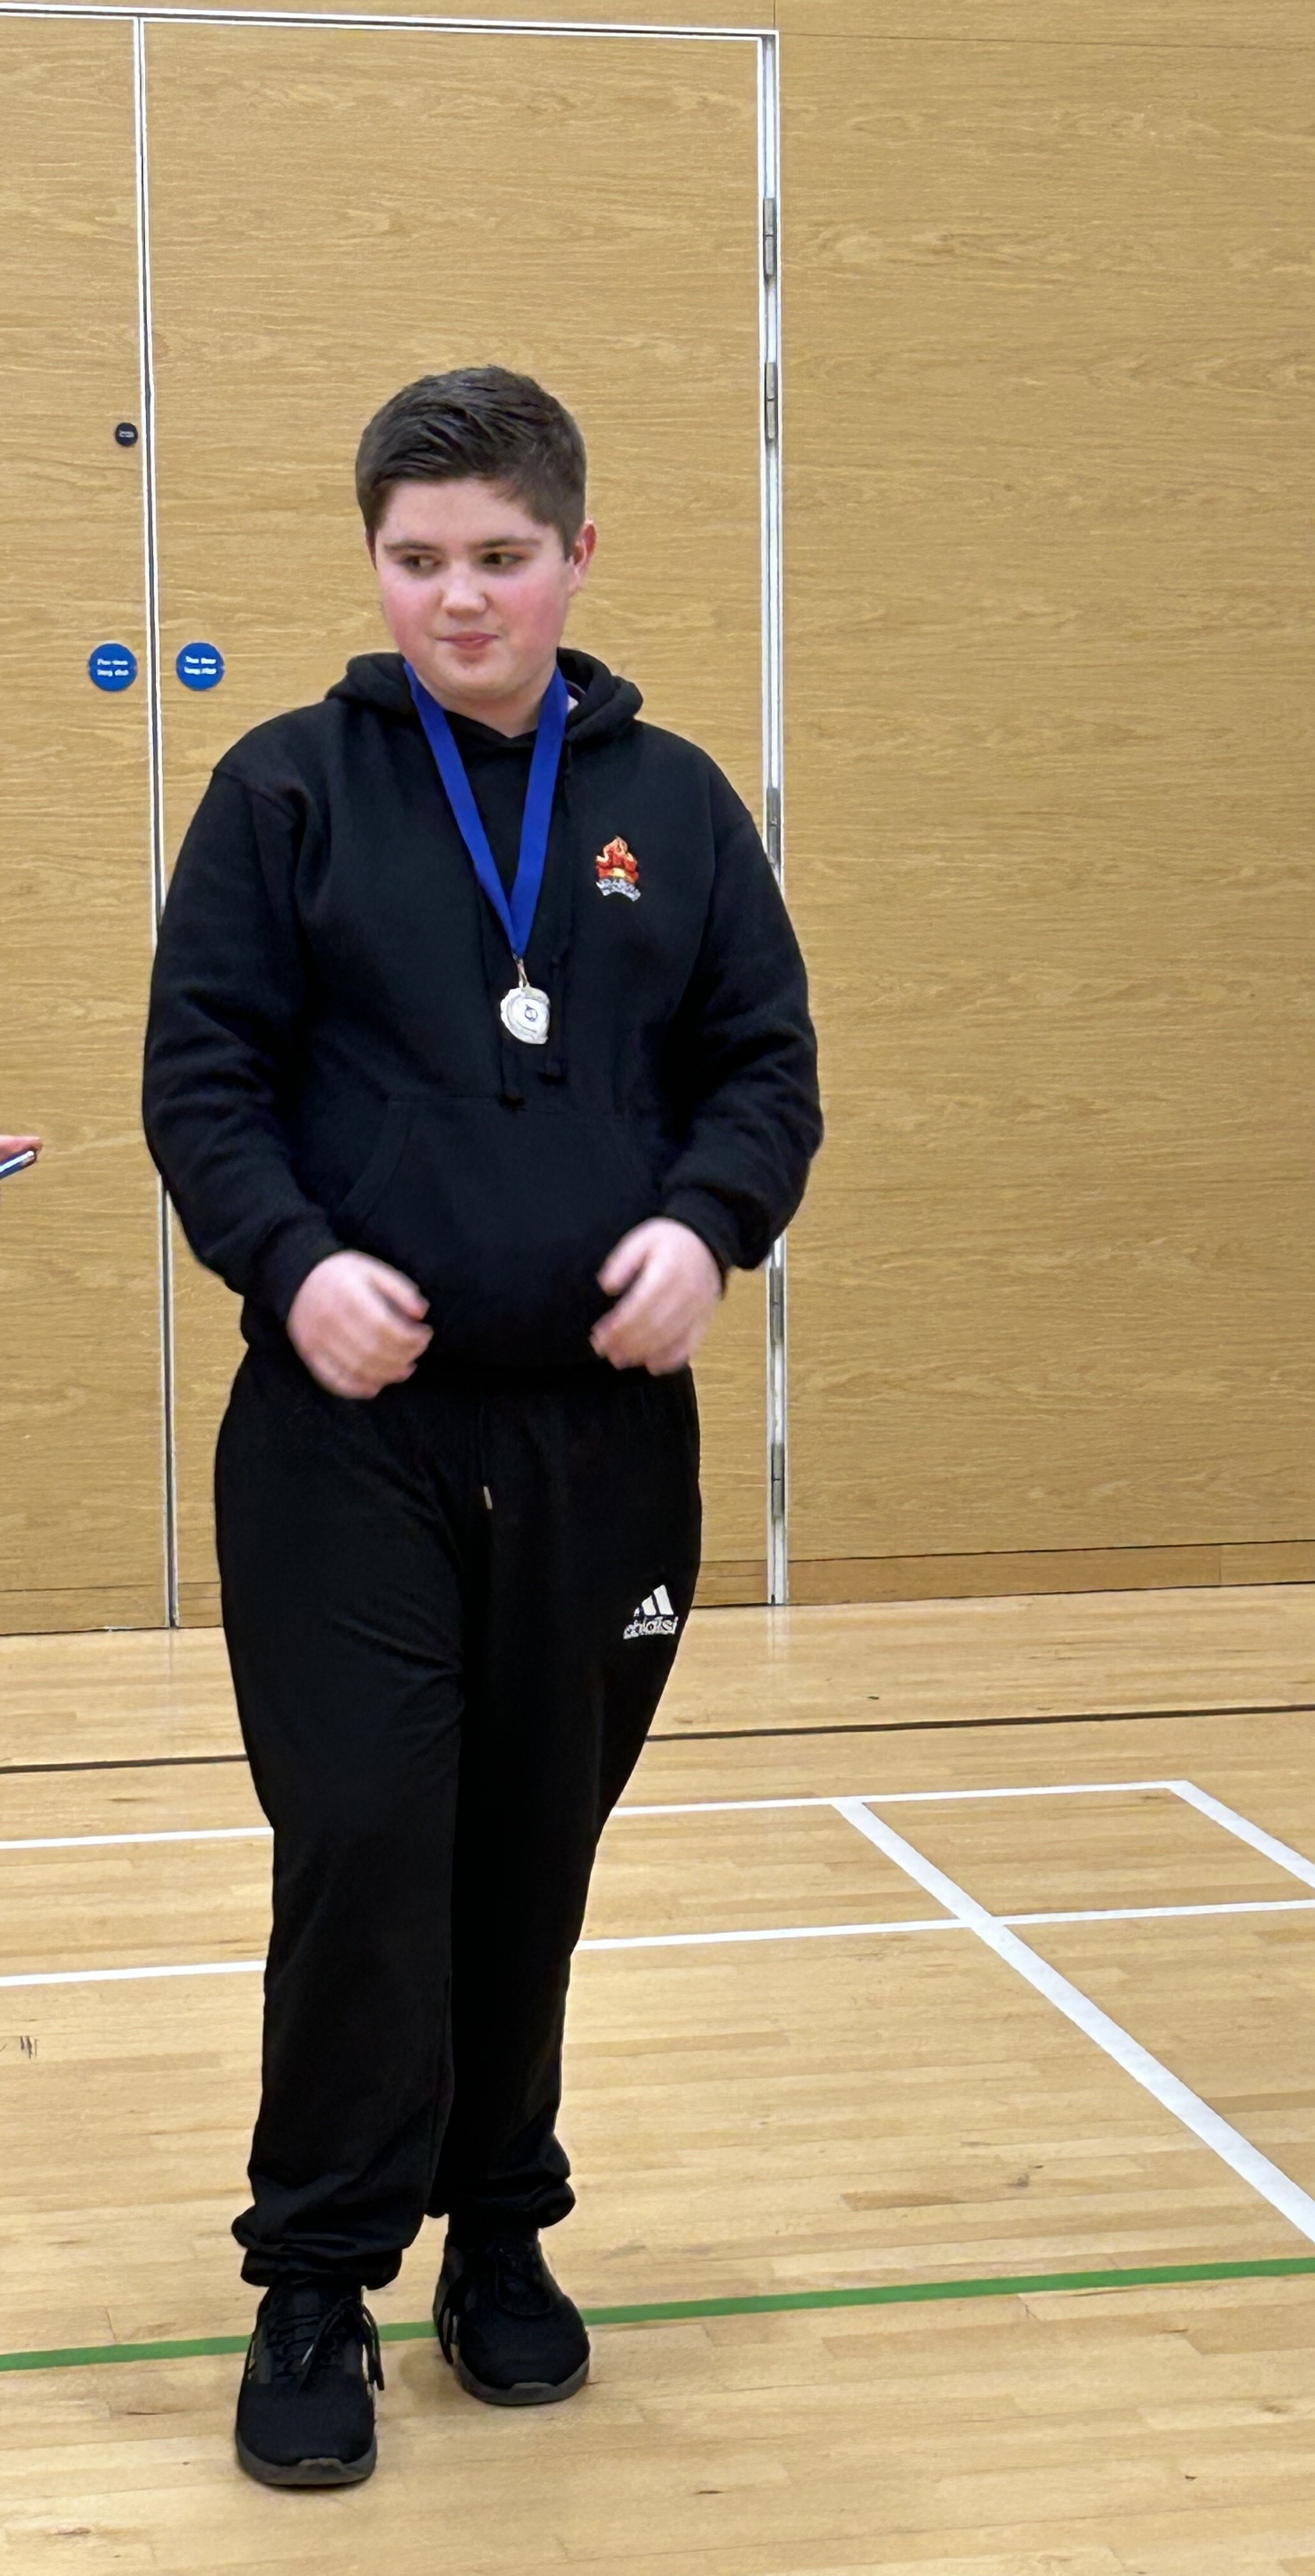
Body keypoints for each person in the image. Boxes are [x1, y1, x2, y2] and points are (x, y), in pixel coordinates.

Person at [144, 367, 820, 2487]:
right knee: (367, 1844)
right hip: (349, 1445)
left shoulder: (682, 807)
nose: (461, 598)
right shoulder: (285, 790)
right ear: (377, 563)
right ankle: (320, 2274)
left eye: (500, 559)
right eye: (420, 560)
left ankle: (500, 2229)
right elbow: (202, 1082)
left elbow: (766, 1075)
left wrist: (714, 1230)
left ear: (578, 558)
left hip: (603, 1447)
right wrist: (288, 1262)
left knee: (534, 1847)